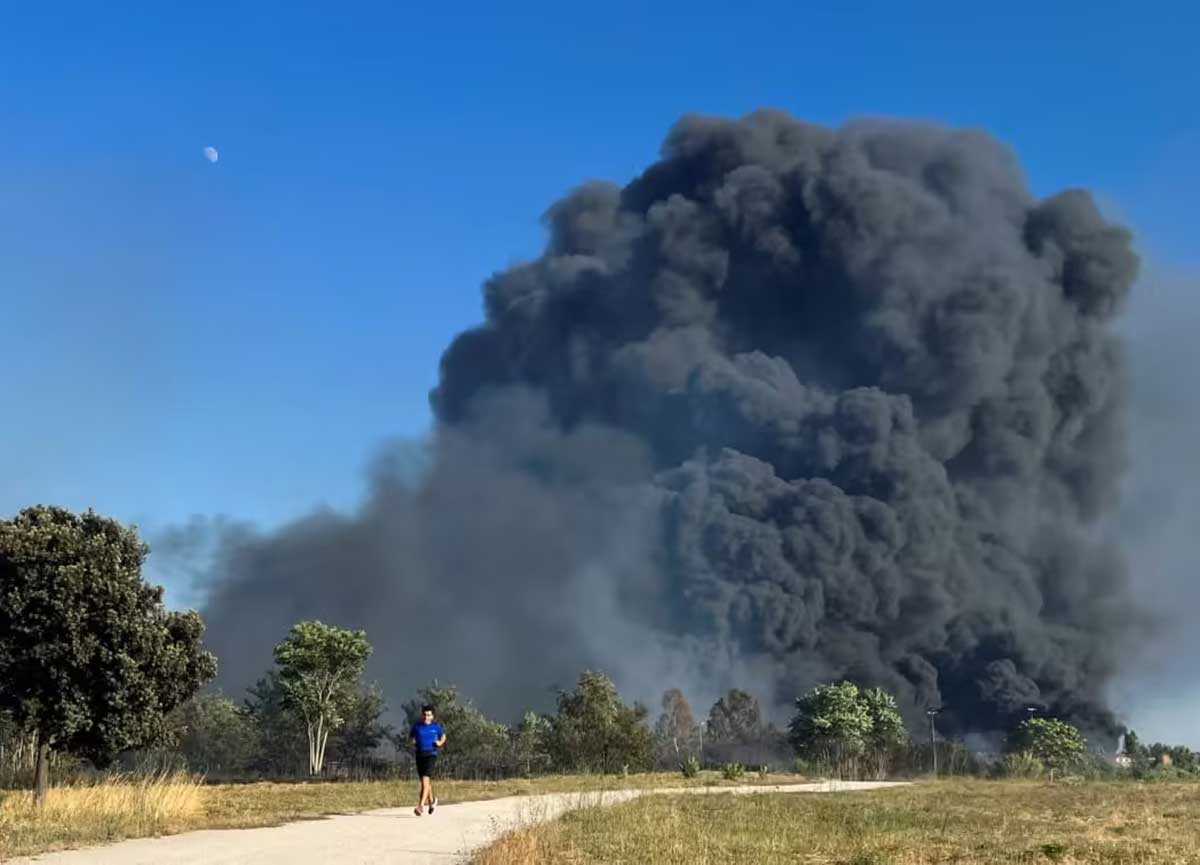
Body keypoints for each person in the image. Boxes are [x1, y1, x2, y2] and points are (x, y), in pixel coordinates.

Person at [410, 705, 446, 816]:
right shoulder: (417, 726)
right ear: (422, 715)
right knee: (425, 781)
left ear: (432, 716)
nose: (426, 717)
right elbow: (411, 737)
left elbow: (443, 736)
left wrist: (439, 743)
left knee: (425, 780)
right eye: (425, 714)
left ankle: (420, 806)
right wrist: (413, 742)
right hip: (420, 755)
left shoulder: (436, 727)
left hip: (431, 755)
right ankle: (432, 802)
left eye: (429, 715)